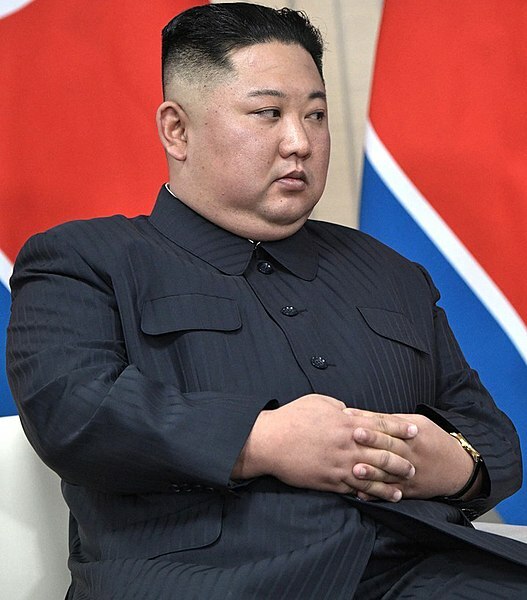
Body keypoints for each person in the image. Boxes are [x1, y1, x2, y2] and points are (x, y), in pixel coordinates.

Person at [6, 3, 527, 598]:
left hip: (421, 572)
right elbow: (74, 411)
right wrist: (262, 441)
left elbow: (489, 431)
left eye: (316, 115)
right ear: (177, 130)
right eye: (268, 113)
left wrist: (456, 465)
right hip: (212, 583)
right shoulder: (83, 259)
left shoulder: (392, 272)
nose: (300, 142)